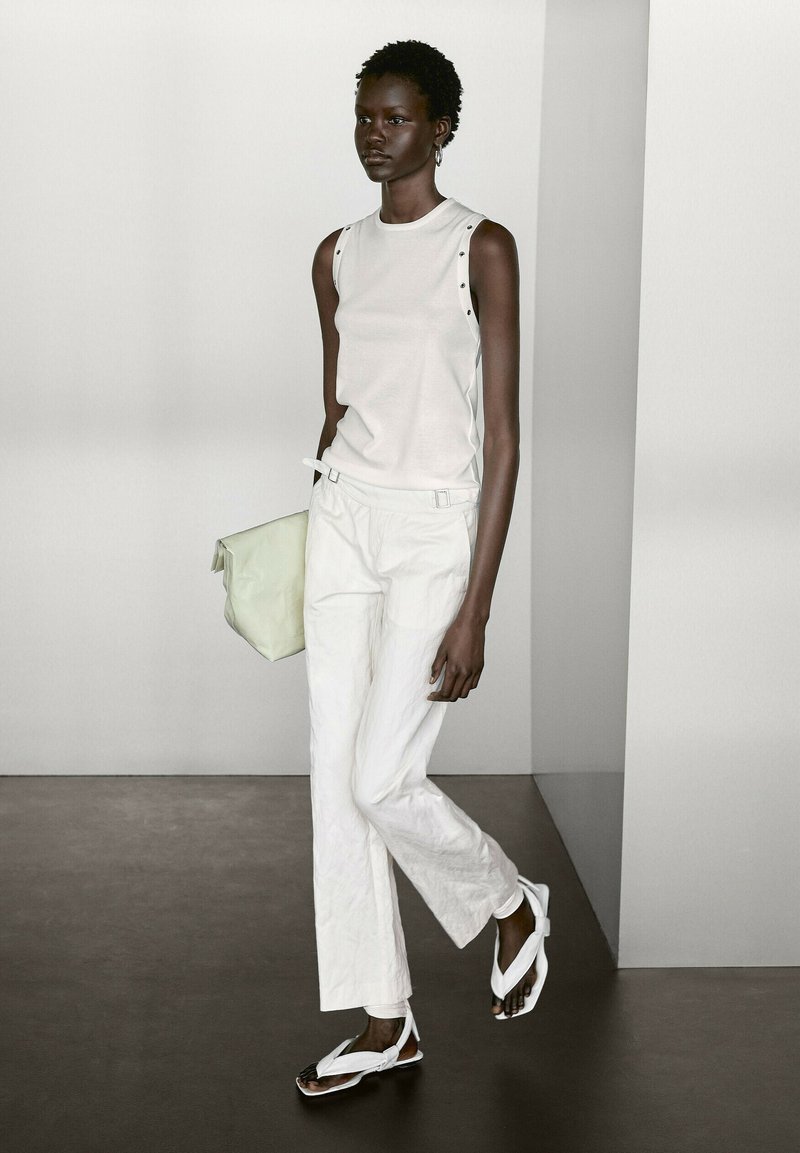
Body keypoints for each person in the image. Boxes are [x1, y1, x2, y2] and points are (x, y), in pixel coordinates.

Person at [296, 39, 551, 1097]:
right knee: (335, 778)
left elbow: (504, 440)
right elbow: (338, 403)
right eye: (365, 116)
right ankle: (383, 1018)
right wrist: (325, 498)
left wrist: (476, 607)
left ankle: (507, 901)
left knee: (380, 776)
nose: (375, 134)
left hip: (436, 528)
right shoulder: (335, 253)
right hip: (344, 520)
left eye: (395, 118)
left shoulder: (478, 247)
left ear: (441, 128)